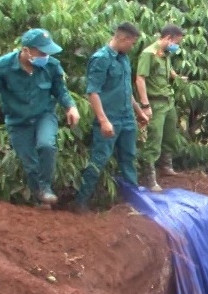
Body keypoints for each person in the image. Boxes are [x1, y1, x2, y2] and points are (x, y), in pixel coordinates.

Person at [0, 28, 80, 207]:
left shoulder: (52, 65)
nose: (45, 55)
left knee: (47, 145)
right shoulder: (1, 67)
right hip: (18, 121)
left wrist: (71, 106)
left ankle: (46, 188)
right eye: (41, 52)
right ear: (26, 50)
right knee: (30, 164)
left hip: (44, 115)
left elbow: (60, 90)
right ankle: (39, 199)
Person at [72, 22, 148, 214]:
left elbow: (126, 90)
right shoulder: (101, 59)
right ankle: (80, 202)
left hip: (127, 117)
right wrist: (104, 120)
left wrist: (139, 112)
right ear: (122, 38)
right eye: (132, 42)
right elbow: (93, 92)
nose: (132, 47)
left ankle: (132, 201)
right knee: (100, 159)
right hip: (110, 117)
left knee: (129, 158)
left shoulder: (123, 59)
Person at [136, 24, 186, 192]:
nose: (176, 46)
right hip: (155, 102)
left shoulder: (165, 54)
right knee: (154, 138)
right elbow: (140, 79)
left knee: (170, 134)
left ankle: (166, 166)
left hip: (168, 101)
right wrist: (145, 105)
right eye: (176, 42)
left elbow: (167, 70)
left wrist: (177, 77)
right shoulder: (148, 54)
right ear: (167, 38)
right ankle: (149, 177)